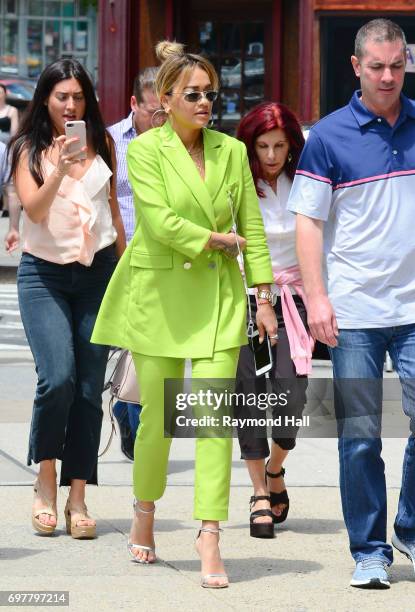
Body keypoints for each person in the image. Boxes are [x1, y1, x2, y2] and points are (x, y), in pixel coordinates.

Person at [91, 40, 277, 587]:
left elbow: (254, 227)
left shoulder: (231, 151)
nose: (204, 103)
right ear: (165, 99)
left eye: (210, 94)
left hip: (220, 298)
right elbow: (157, 220)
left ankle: (209, 536)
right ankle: (144, 512)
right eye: (192, 94)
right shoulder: (145, 150)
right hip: (159, 298)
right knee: (158, 425)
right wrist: (215, 239)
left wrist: (262, 297)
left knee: (216, 422)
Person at [287, 18, 415, 589]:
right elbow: (308, 225)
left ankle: (408, 526)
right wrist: (317, 298)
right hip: (355, 313)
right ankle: (370, 550)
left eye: (398, 65)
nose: (389, 76)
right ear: (357, 66)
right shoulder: (328, 136)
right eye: (378, 66)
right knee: (359, 435)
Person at [8, 58, 126, 539]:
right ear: (46, 99)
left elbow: (113, 211)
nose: (71, 105)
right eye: (62, 97)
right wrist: (57, 169)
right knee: (56, 378)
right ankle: (46, 479)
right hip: (43, 277)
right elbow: (33, 210)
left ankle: (79, 495)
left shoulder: (103, 145)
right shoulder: (28, 149)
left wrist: (127, 273)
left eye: (78, 96)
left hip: (96, 274)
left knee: (87, 389)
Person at [234, 102, 311, 538]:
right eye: (262, 145)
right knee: (248, 395)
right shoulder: (237, 183)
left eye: (279, 145)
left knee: (291, 394)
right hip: (245, 299)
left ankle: (276, 468)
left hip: (293, 299)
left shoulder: (304, 181)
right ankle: (259, 492)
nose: (271, 155)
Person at [107, 67, 160, 460]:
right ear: (134, 105)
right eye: (153, 112)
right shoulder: (110, 141)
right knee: (132, 346)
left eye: (166, 112)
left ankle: (133, 413)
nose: (160, 120)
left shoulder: (175, 144)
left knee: (152, 347)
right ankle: (132, 413)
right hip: (118, 260)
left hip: (163, 262)